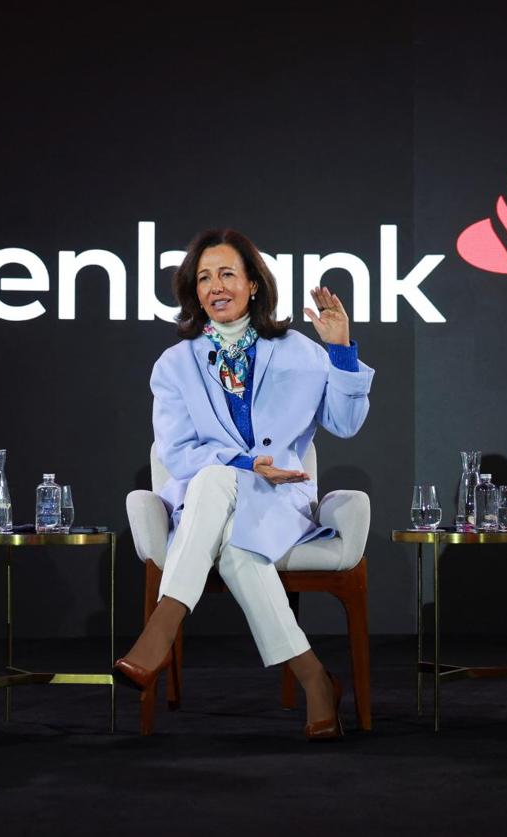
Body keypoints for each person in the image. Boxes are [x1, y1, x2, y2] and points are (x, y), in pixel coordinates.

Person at [113, 228, 374, 740]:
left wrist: (340, 351)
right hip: (208, 502)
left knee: (228, 509)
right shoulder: (175, 365)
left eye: (227, 273)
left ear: (253, 284)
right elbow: (178, 452)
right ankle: (316, 682)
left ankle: (162, 627)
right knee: (230, 529)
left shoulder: (299, 350)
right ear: (194, 292)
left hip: (282, 499)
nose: (216, 286)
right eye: (205, 277)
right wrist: (245, 465)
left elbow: (345, 423)